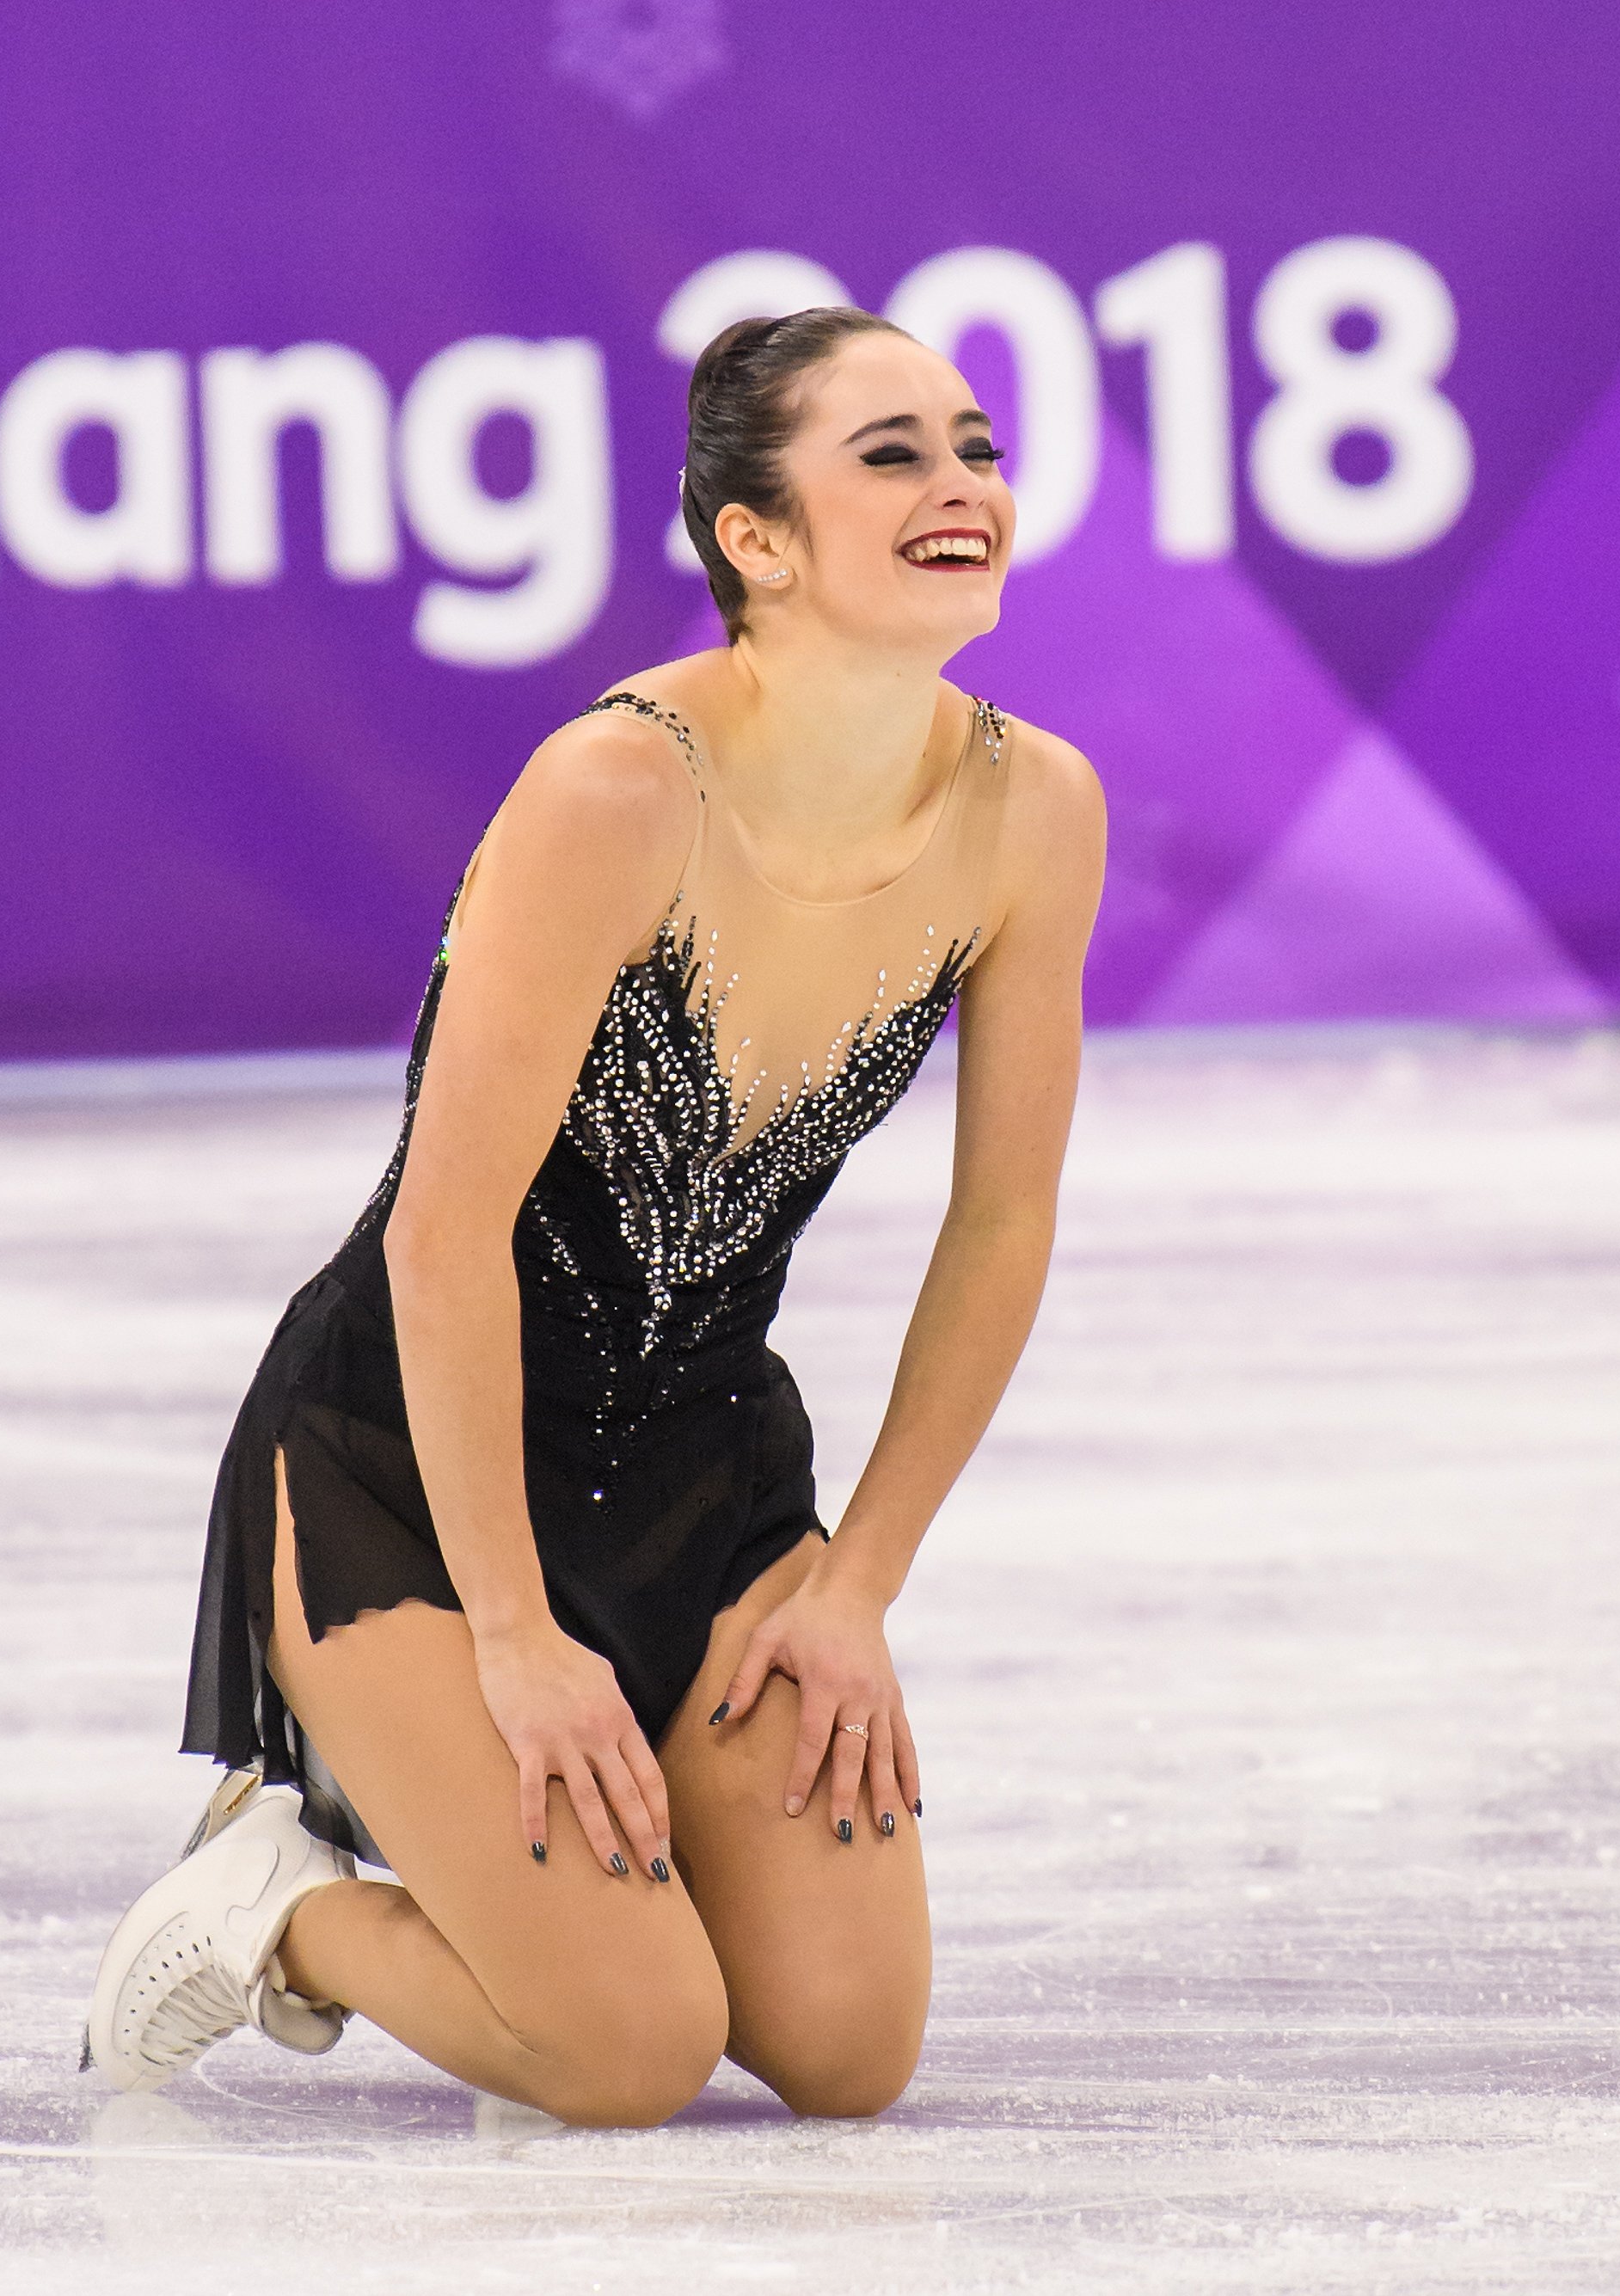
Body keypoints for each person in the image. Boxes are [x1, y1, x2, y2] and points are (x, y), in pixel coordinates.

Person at [82, 305, 1106, 2127]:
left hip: (707, 1470)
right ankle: (277, 1906)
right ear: (756, 542)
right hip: (409, 1465)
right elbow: (442, 1232)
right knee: (626, 2052)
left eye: (974, 449)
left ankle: (597, 1872)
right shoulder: (616, 788)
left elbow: (1000, 1222)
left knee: (839, 2052)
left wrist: (855, 1583)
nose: (960, 487)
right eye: (891, 458)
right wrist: (508, 1634)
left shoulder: (1031, 813)